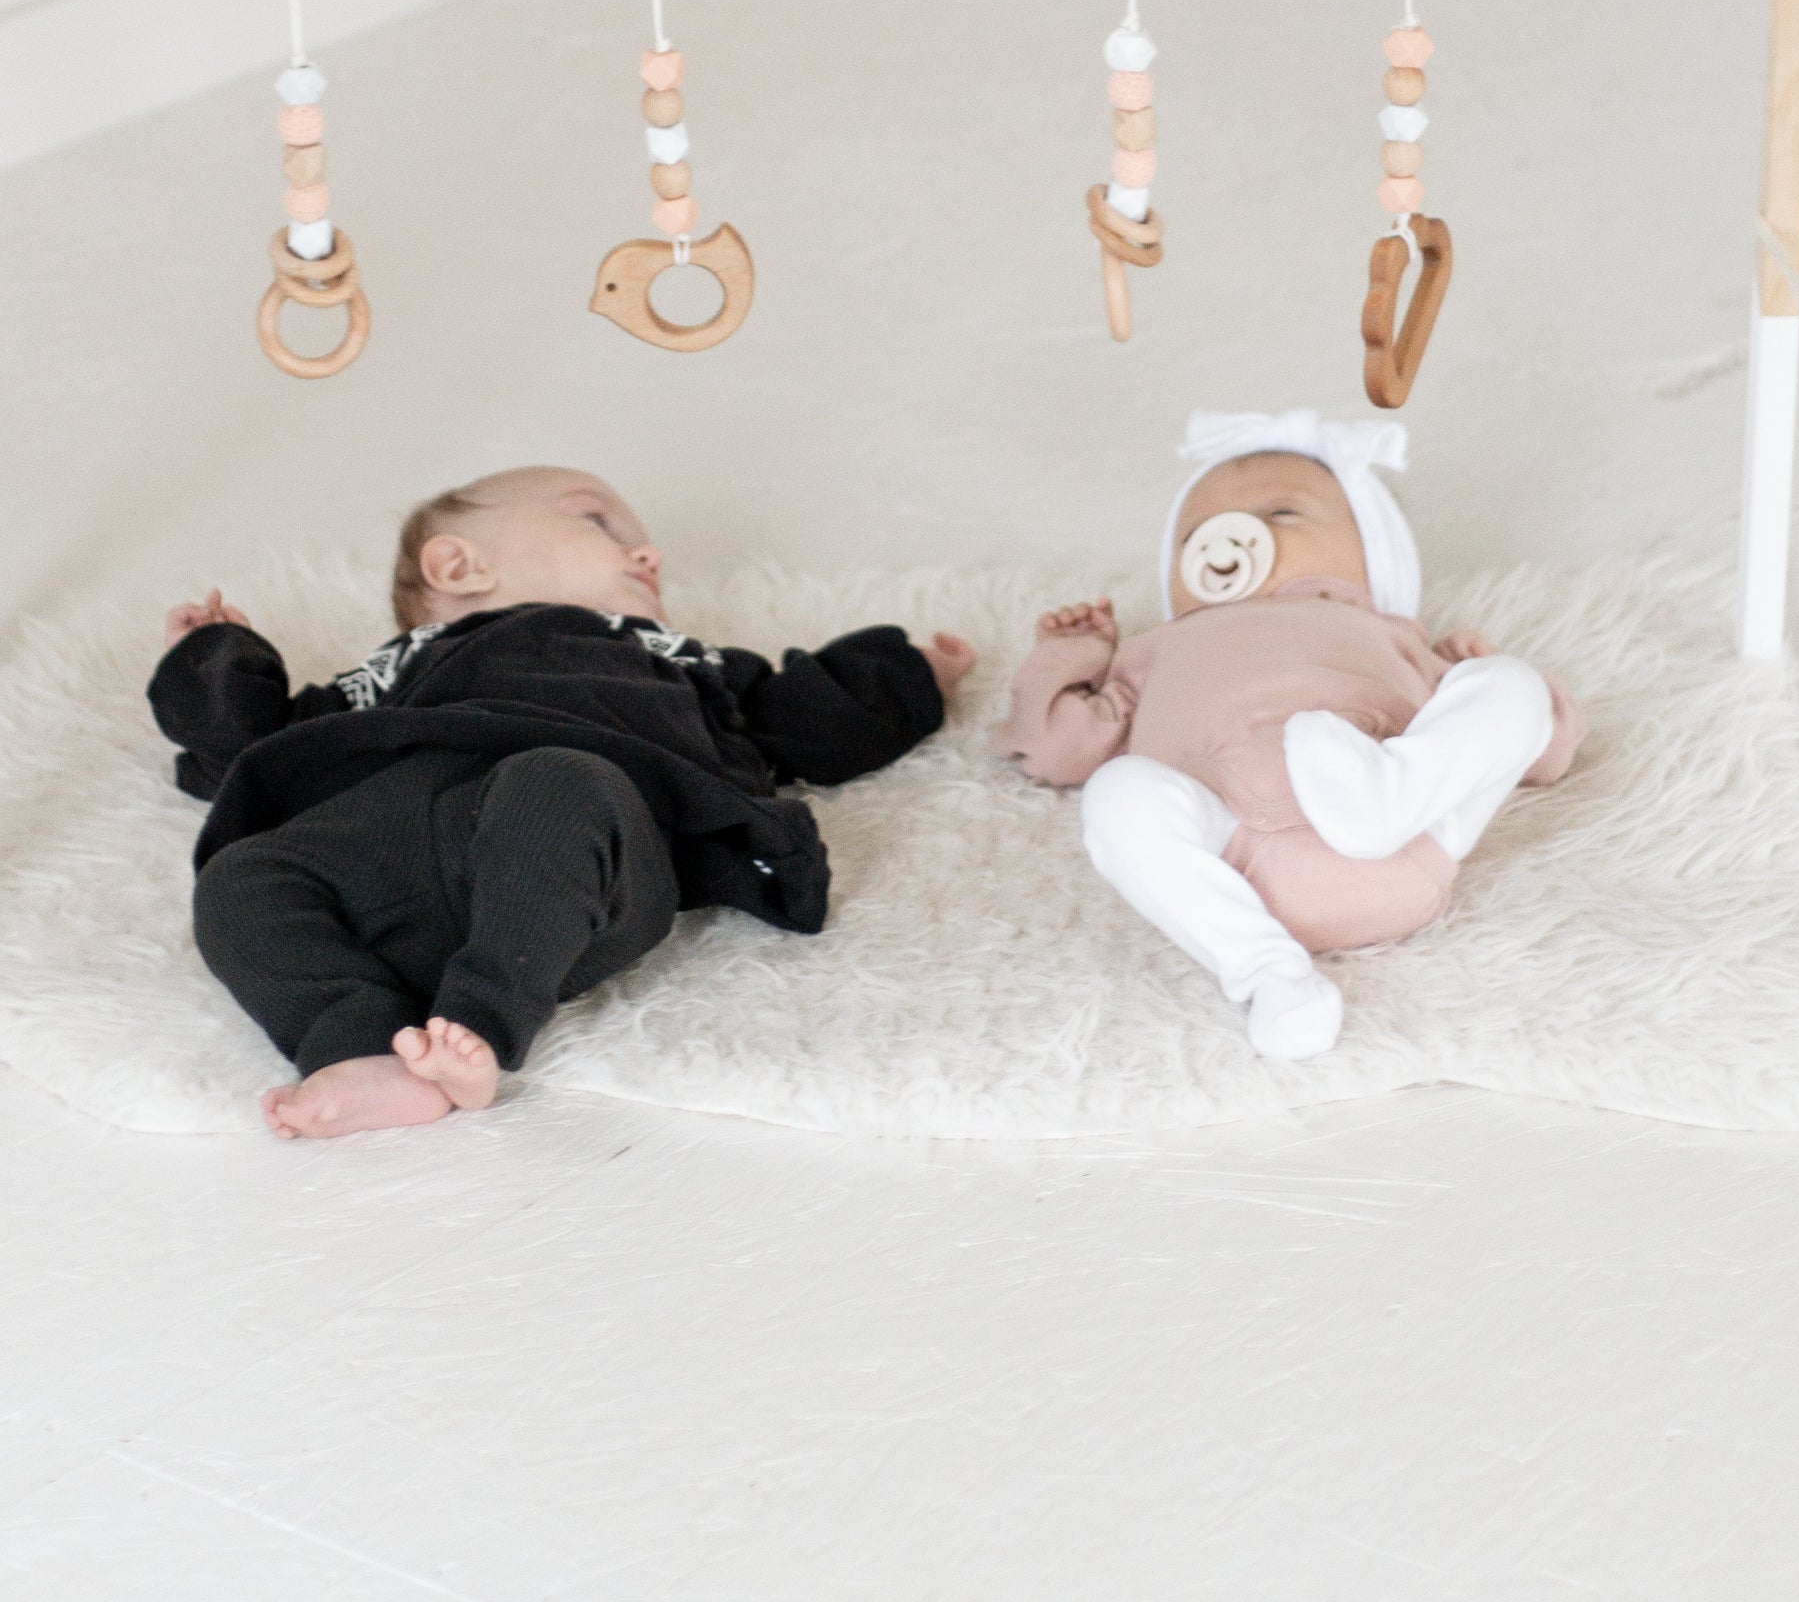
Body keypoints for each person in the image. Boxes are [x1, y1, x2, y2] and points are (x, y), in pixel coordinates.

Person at [153, 465, 972, 1138]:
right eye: (598, 520)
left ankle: (478, 1023)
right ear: (460, 567)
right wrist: (212, 661)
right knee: (240, 874)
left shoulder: (680, 663)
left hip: (583, 863)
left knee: (557, 781)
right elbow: (250, 748)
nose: (648, 551)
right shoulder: (397, 666)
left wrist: (906, 679)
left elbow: (811, 720)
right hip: (391, 848)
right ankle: (358, 1044)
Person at [995, 409, 1581, 1061]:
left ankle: (1386, 799)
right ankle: (1268, 973)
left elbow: (1541, 749)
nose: (1231, 533)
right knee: (1117, 792)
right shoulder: (1154, 650)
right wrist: (1071, 658)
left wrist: (1475, 677)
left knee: (1511, 683)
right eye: (1193, 532)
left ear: (1372, 554)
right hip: (1235, 860)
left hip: (1408, 839)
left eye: (1281, 513)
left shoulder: (1393, 635)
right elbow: (1056, 749)